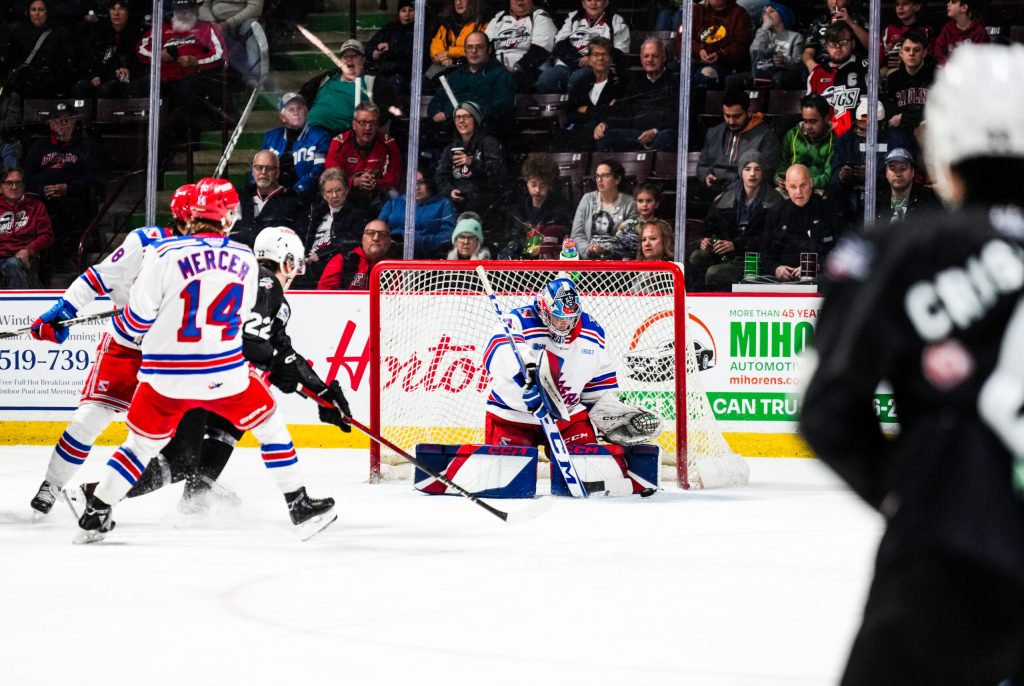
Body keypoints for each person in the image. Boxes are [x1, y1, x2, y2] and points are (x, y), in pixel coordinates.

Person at [799, 44, 1024, 684]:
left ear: (942, 146)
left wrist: (914, 491)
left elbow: (828, 411)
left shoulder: (897, 250)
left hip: (945, 564)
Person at [72, 177, 337, 543]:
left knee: (139, 447)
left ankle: (96, 512)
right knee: (270, 425)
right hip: (221, 372)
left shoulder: (163, 255)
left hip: (163, 374)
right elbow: (243, 319)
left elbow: (136, 322)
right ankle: (298, 504)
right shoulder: (244, 258)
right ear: (228, 217)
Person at [115, 225, 353, 512]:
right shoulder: (266, 284)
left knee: (226, 427)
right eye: (296, 265)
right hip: (199, 371)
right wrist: (276, 363)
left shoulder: (253, 286)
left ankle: (198, 494)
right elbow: (252, 344)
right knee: (183, 457)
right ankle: (95, 497)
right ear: (288, 262)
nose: (295, 273)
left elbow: (282, 352)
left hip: (194, 369)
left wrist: (322, 392)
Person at [26, 185, 191, 516]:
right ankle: (53, 484)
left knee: (175, 440)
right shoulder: (144, 242)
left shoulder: (212, 254)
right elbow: (98, 278)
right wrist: (64, 309)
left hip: (172, 359)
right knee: (88, 421)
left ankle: (201, 483)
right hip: (127, 349)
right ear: (180, 217)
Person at [482, 277, 660, 473]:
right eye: (557, 317)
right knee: (509, 479)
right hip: (512, 417)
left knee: (591, 474)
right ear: (543, 309)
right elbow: (497, 348)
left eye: (569, 318)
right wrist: (528, 370)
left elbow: (598, 388)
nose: (563, 324)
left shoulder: (592, 333)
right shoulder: (518, 320)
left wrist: (610, 415)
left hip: (567, 417)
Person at [22, 106, 105, 269]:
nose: (62, 124)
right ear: (50, 124)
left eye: (67, 120)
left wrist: (68, 188)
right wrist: (43, 190)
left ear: (74, 123)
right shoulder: (39, 147)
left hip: (74, 198)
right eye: (58, 121)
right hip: (43, 198)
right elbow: (27, 176)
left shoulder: (86, 147)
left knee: (69, 211)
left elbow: (95, 178)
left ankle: (68, 260)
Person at [691, 151, 780, 291]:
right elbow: (709, 227)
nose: (752, 174)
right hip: (729, 256)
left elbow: (770, 240)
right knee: (697, 257)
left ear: (763, 173)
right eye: (747, 169)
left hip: (755, 260)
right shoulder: (726, 197)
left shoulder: (774, 200)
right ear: (740, 172)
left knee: (714, 273)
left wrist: (736, 245)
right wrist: (707, 241)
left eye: (757, 169)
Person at [135, 0, 227, 109]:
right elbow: (141, 48)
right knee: (135, 89)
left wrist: (196, 60)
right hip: (161, 77)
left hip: (192, 75)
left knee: (187, 92)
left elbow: (221, 54)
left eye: (186, 11)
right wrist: (158, 54)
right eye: (178, 11)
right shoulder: (161, 28)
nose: (182, 15)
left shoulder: (207, 28)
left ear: (195, 11)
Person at [595, 37, 679, 153]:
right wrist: (605, 123)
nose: (649, 60)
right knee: (603, 136)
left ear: (664, 58)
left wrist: (655, 131)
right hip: (636, 134)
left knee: (666, 137)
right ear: (641, 59)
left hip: (660, 133)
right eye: (646, 56)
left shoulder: (675, 81)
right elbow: (623, 109)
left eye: (654, 56)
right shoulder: (635, 81)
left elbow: (677, 116)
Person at [302, 39, 400, 136]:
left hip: (345, 138)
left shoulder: (374, 81)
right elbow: (303, 95)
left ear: (363, 59)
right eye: (345, 56)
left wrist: (365, 128)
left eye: (354, 56)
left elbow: (388, 107)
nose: (349, 59)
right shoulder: (327, 78)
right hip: (309, 133)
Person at [696, 88, 781, 198]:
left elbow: (765, 174)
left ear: (749, 112)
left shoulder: (766, 137)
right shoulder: (713, 133)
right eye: (727, 116)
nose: (731, 122)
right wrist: (706, 176)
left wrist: (729, 193)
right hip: (712, 189)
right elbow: (702, 165)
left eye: (736, 116)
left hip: (744, 194)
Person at [759, 163, 839, 281]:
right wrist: (775, 269)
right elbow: (764, 253)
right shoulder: (776, 214)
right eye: (793, 186)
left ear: (811, 183)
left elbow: (840, 253)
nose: (798, 192)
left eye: (803, 185)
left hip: (819, 281)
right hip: (781, 284)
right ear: (785, 186)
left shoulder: (828, 211)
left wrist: (815, 267)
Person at [426, 31, 515, 133]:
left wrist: (469, 114)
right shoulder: (455, 75)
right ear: (465, 51)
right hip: (450, 130)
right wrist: (436, 113)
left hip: (484, 132)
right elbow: (437, 101)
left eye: (479, 47)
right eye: (469, 47)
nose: (473, 51)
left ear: (489, 50)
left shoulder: (501, 74)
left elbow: (502, 107)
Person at [435, 101, 508, 224]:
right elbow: (440, 176)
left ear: (475, 119)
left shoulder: (489, 143)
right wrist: (450, 191)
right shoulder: (450, 149)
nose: (461, 121)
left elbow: (498, 175)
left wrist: (472, 163)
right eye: (458, 117)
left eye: (466, 117)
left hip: (485, 205)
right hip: (458, 205)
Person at [535, 0, 629, 94]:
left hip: (595, 67)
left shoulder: (615, 20)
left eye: (598, 0)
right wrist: (577, 60)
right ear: (583, 4)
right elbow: (560, 42)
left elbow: (620, 51)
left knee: (578, 79)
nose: (593, 3)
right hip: (567, 63)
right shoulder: (574, 16)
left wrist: (593, 58)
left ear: (605, 3)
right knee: (547, 79)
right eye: (589, 0)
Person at [294, 168, 367, 289]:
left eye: (338, 190)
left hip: (334, 269)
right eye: (329, 191)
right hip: (307, 269)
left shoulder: (358, 213)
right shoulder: (314, 213)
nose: (334, 195)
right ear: (323, 194)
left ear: (347, 190)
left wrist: (320, 254)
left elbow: (352, 240)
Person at [324, 102, 402, 214]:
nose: (368, 127)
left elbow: (394, 179)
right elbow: (332, 179)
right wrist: (355, 182)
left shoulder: (388, 144)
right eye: (363, 122)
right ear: (354, 125)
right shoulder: (338, 143)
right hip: (347, 196)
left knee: (394, 197)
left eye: (372, 123)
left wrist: (375, 184)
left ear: (377, 125)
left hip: (379, 197)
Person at [260, 92, 331, 204]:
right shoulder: (271, 137)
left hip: (305, 196)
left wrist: (297, 190)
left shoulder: (320, 136)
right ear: (282, 117)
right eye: (291, 109)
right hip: (274, 194)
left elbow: (319, 170)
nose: (296, 112)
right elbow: (259, 167)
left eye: (299, 108)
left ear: (306, 112)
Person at [500, 153, 572, 259]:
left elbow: (567, 240)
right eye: (533, 184)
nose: (537, 190)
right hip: (523, 263)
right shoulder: (517, 210)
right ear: (527, 183)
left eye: (543, 185)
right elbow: (510, 241)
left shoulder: (562, 209)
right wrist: (529, 245)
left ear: (550, 185)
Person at [378, 169, 457, 259]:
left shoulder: (443, 204)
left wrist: (413, 239)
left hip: (430, 258)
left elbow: (449, 237)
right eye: (411, 183)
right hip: (393, 256)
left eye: (421, 182)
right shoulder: (393, 203)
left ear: (429, 183)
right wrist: (391, 239)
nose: (416, 187)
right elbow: (378, 229)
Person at [564, 36, 626, 151]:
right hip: (581, 133)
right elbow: (570, 114)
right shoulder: (580, 84)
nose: (600, 58)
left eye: (605, 54)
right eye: (596, 54)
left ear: (611, 59)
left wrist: (587, 110)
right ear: (589, 59)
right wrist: (601, 110)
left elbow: (617, 113)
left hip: (602, 133)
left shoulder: (618, 84)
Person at [70, 1, 142, 99]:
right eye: (113, 9)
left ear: (129, 11)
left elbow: (140, 63)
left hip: (125, 81)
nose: (116, 13)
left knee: (107, 89)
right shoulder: (99, 32)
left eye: (121, 9)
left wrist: (129, 71)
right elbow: (88, 58)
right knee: (81, 86)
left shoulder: (138, 33)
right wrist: (94, 75)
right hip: (102, 78)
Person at [806, 22, 867, 137]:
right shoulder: (817, 73)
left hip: (855, 133)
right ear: (826, 46)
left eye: (843, 42)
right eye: (833, 43)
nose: (838, 47)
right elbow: (809, 110)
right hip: (824, 136)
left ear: (853, 44)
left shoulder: (864, 68)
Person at [231, 149, 302, 247]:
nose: (263, 172)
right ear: (252, 172)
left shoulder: (292, 201)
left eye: (269, 168)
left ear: (277, 172)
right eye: (259, 168)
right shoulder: (238, 198)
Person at [570, 159, 638, 259]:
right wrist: (587, 250)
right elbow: (576, 234)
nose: (599, 180)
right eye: (597, 176)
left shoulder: (630, 203)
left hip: (616, 263)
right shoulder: (587, 199)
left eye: (605, 176)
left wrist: (606, 250)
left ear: (617, 179)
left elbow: (630, 238)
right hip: (588, 260)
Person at [7, 0, 77, 98]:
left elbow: (64, 61)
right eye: (33, 10)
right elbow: (13, 59)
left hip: (52, 82)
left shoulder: (60, 34)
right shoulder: (19, 34)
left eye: (41, 10)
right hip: (26, 82)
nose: (37, 14)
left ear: (47, 12)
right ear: (28, 12)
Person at [484, 0, 557, 91]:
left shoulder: (541, 16)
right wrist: (497, 68)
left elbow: (540, 50)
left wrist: (516, 68)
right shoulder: (499, 17)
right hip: (499, 70)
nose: (520, 1)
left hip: (529, 71)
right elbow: (485, 45)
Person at [0, 167, 53, 290]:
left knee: (12, 264)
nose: (14, 187)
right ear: (0, 188)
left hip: (22, 259)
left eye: (18, 183)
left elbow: (47, 236)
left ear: (23, 187)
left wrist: (29, 250)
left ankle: (17, 309)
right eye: (9, 183)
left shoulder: (36, 206)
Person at [197, 0, 269, 86]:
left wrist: (228, 24)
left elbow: (255, 8)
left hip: (245, 18)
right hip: (214, 21)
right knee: (207, 35)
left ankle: (255, 78)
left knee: (254, 30)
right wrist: (213, 24)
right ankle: (248, 74)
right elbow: (203, 6)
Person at [775, 93, 836, 193]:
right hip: (791, 188)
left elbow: (829, 175)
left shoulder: (834, 141)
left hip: (817, 190)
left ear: (826, 118)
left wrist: (808, 183)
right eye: (805, 121)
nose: (808, 127)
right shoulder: (792, 135)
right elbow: (782, 164)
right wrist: (778, 178)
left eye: (813, 121)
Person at [687, 0, 754, 90]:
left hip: (726, 65)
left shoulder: (740, 14)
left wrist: (720, 54)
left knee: (705, 75)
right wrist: (699, 50)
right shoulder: (696, 11)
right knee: (674, 70)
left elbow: (741, 46)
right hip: (694, 60)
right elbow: (682, 39)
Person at [316, 219, 397, 290]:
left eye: (382, 234)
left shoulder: (395, 267)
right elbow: (324, 296)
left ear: (389, 241)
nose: (376, 238)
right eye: (370, 233)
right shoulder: (343, 260)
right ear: (362, 239)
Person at [742, 1, 804, 89]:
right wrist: (764, 28)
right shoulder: (763, 33)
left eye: (772, 11)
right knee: (733, 79)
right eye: (764, 12)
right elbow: (754, 54)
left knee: (778, 78)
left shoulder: (795, 36)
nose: (767, 14)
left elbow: (797, 64)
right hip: (762, 70)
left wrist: (784, 60)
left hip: (782, 71)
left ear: (783, 15)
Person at [883, 30, 934, 136]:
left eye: (916, 50)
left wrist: (904, 117)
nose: (911, 53)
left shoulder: (936, 77)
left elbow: (938, 112)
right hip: (900, 135)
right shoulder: (893, 79)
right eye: (907, 49)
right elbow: (888, 113)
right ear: (901, 53)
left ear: (924, 53)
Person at [364, 0, 418, 93]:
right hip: (386, 73)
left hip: (409, 75)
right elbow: (370, 47)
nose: (407, 14)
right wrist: (374, 52)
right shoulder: (389, 28)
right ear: (398, 13)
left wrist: (391, 49)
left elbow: (415, 53)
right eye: (403, 10)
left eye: (411, 10)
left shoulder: (420, 30)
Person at [427, 0, 488, 82]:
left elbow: (479, 50)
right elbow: (436, 45)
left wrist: (450, 52)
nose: (459, 3)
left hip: (470, 67)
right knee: (424, 80)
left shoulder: (481, 24)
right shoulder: (447, 23)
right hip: (446, 67)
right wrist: (444, 58)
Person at [801, 0, 869, 73]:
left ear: (848, 1)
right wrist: (813, 66)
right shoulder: (820, 21)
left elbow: (874, 47)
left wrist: (850, 22)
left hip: (854, 69)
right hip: (824, 67)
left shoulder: (859, 19)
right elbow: (808, 51)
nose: (835, 2)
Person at [875, 147, 938, 223]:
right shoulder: (878, 201)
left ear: (913, 172)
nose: (898, 174)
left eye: (903, 168)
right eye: (893, 168)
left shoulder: (928, 200)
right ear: (886, 173)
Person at [880, 0, 932, 77]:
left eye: (905, 4)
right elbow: (878, 58)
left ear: (917, 7)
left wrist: (906, 62)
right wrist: (885, 52)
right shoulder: (889, 29)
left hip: (917, 71)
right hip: (891, 70)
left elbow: (930, 57)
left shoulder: (925, 30)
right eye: (897, 4)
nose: (900, 8)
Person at [931, 0, 988, 67]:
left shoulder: (979, 31)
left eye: (953, 2)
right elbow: (938, 49)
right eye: (948, 2)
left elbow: (981, 58)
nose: (948, 4)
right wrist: (946, 65)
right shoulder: (948, 28)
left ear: (964, 8)